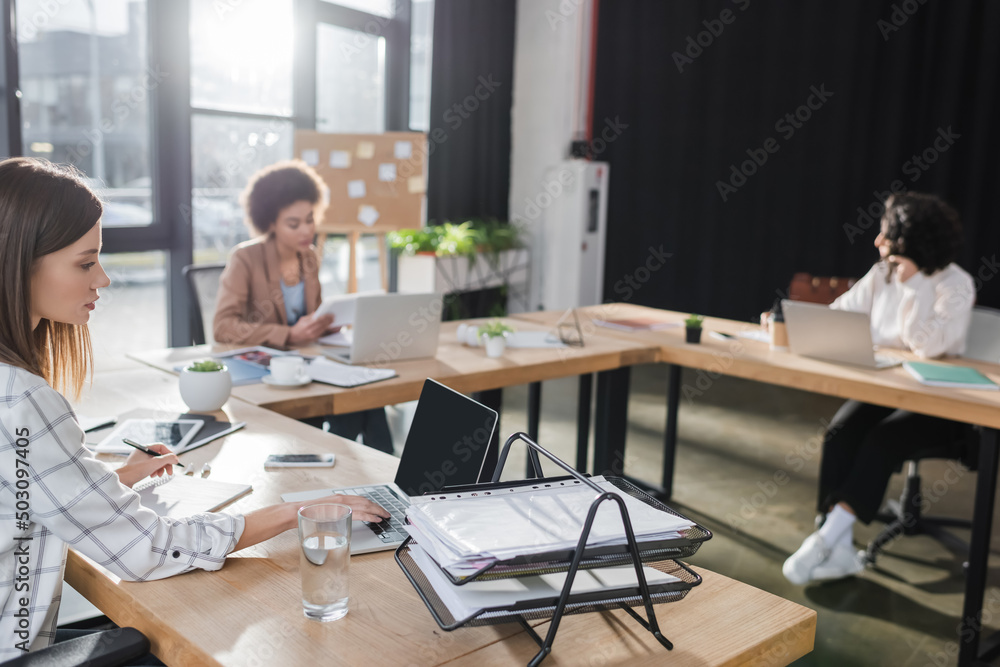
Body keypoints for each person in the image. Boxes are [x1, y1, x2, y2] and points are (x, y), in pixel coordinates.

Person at [0, 157, 390, 660]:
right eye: (85, 262)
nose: (104, 279)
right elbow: (149, 549)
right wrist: (296, 511)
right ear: (17, 262)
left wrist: (118, 479)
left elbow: (27, 491)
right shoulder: (26, 400)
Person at [783, 192, 976, 585]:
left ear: (913, 242)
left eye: (886, 235)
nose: (877, 242)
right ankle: (836, 545)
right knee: (839, 433)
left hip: (942, 405)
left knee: (882, 441)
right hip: (887, 391)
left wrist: (915, 282)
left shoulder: (956, 284)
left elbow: (926, 345)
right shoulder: (883, 272)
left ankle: (824, 539)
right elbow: (840, 314)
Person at [213, 161, 393, 453]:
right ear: (270, 222)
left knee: (365, 395)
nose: (306, 230)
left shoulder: (308, 257)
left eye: (310, 219)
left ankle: (349, 462)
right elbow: (223, 327)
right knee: (360, 402)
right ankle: (369, 467)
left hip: (309, 364)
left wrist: (324, 323)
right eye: (293, 224)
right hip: (269, 374)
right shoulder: (245, 258)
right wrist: (288, 334)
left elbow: (313, 312)